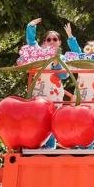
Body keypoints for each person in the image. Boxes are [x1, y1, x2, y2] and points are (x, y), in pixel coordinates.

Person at [25, 18, 68, 149]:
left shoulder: (63, 57)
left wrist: (56, 64)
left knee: (52, 120)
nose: (52, 41)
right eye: (48, 39)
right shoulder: (39, 53)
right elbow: (31, 42)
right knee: (37, 120)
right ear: (44, 43)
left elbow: (64, 75)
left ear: (59, 42)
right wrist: (31, 26)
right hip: (38, 93)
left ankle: (50, 147)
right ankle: (36, 145)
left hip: (54, 95)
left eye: (55, 39)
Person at [64, 23, 94, 113]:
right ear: (84, 50)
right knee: (76, 116)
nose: (91, 51)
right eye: (88, 48)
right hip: (79, 94)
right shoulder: (81, 61)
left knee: (90, 117)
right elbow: (76, 50)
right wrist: (70, 36)